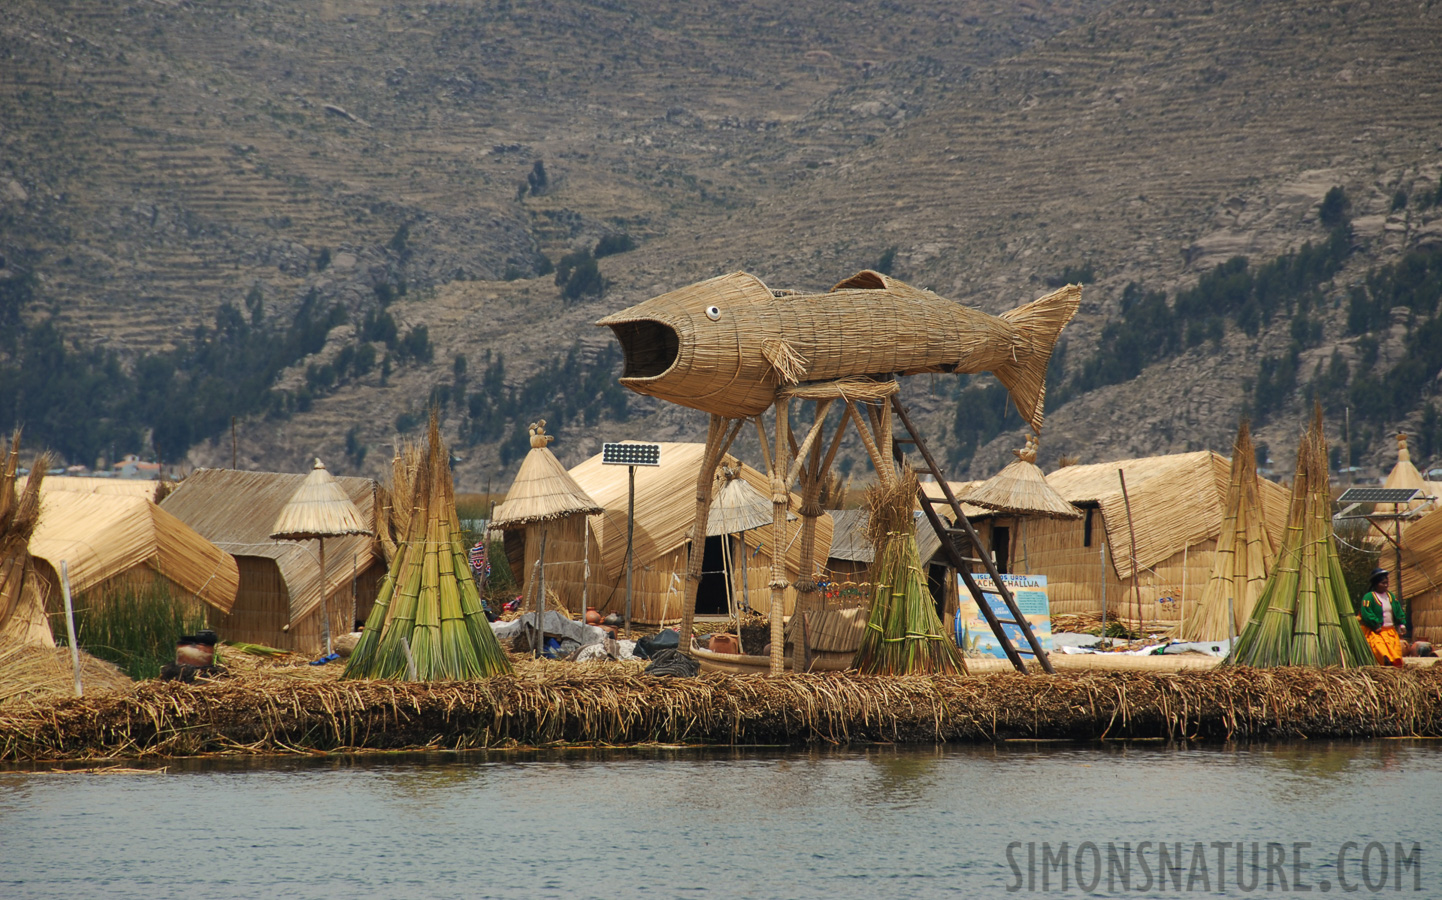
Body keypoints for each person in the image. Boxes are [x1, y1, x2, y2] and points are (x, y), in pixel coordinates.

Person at [1359, 568, 1409, 667]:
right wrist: (1375, 625)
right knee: (1381, 651)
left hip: (1390, 632)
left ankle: (1395, 669)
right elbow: (1367, 612)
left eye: (1387, 583)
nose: (1386, 585)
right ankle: (1385, 665)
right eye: (1383, 583)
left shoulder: (1391, 596)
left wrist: (1401, 623)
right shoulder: (1369, 597)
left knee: (1395, 653)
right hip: (1377, 632)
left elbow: (1398, 610)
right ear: (1376, 584)